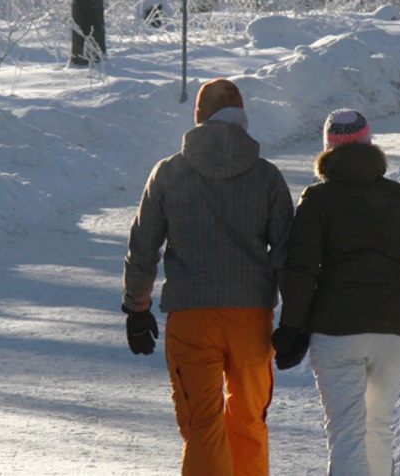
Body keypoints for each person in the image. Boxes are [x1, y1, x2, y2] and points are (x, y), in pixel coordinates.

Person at [272, 108, 400, 476]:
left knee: (347, 436)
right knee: (378, 429)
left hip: (335, 334)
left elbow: (302, 270)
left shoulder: (317, 200)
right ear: (369, 144)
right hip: (391, 334)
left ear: (328, 149)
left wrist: (292, 328)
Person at [122, 78, 295, 476]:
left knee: (202, 427)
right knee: (249, 422)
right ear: (242, 117)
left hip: (191, 318)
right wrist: (294, 320)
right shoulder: (267, 177)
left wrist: (137, 308)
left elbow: (144, 246)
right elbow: (287, 254)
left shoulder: (168, 173)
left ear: (198, 116)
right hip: (251, 319)